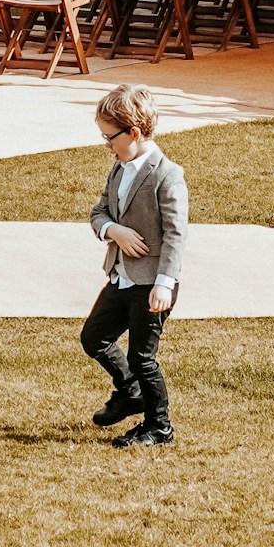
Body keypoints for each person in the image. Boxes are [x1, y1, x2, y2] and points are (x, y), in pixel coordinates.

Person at [81, 84, 186, 447]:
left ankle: (159, 427)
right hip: (122, 277)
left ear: (135, 133)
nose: (106, 145)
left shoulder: (166, 175)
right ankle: (130, 393)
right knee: (94, 337)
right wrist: (114, 231)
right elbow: (98, 212)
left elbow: (175, 235)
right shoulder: (119, 168)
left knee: (143, 357)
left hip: (152, 284)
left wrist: (165, 283)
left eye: (109, 138)